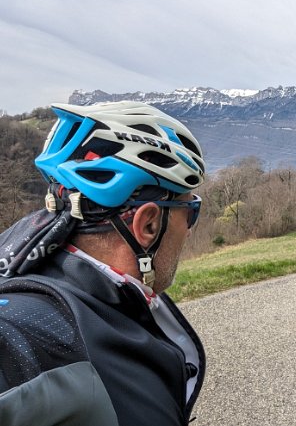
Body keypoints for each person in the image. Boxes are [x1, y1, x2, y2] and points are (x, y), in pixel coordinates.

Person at [0, 102, 206, 426]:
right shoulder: (33, 332)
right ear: (149, 225)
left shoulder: (114, 301)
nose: (190, 229)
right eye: (190, 210)